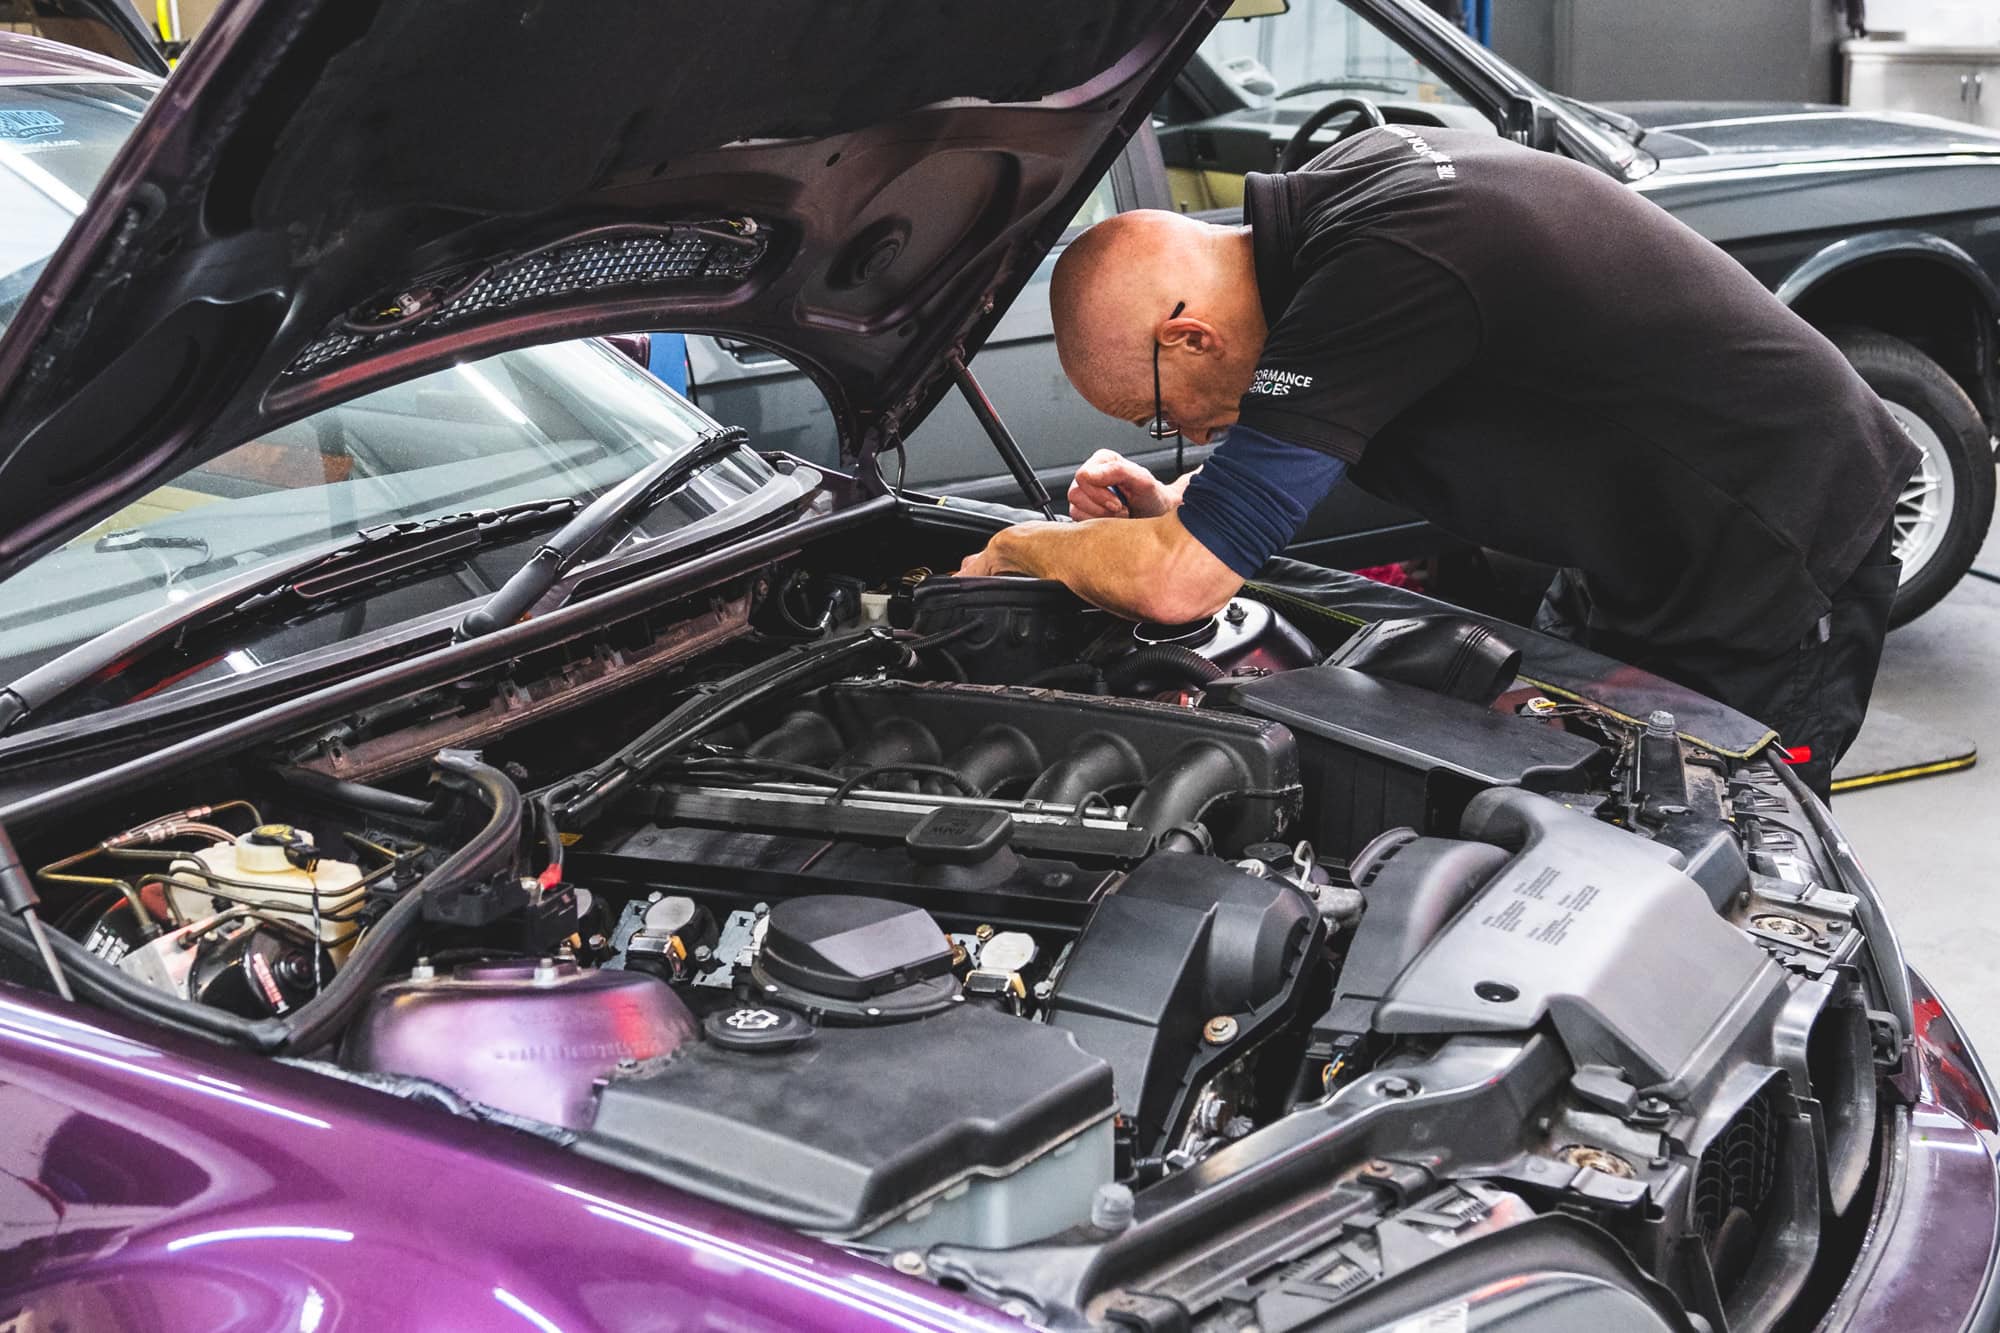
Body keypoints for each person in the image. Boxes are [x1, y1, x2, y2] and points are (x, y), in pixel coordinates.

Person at [956, 126, 1916, 799]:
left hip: (1777, 544)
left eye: (1159, 415)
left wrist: (1028, 546)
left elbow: (1180, 585)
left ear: (1193, 336)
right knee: (1566, 794)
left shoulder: (1386, 269)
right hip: (1635, 549)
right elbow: (1325, 428)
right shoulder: (1336, 215)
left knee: (1715, 857)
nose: (1194, 433)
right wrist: (1176, 502)